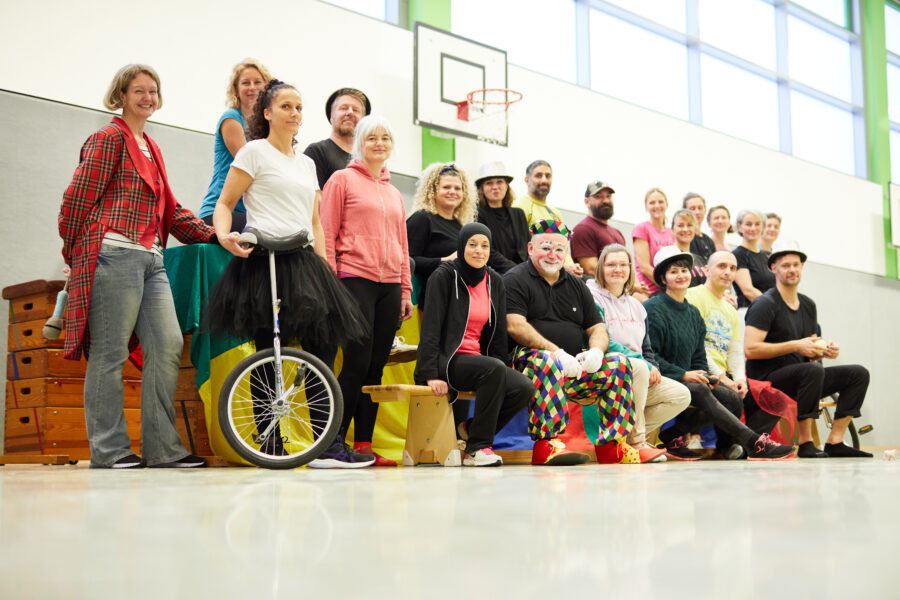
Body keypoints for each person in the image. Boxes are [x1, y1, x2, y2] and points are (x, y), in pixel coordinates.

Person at [58, 64, 218, 468]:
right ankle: (109, 450)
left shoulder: (151, 147)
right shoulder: (108, 138)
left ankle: (163, 449)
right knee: (109, 353)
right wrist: (76, 253)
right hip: (113, 253)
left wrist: (215, 235)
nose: (147, 98)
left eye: (153, 91)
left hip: (152, 258)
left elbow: (171, 210)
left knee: (167, 344)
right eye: (138, 91)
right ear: (121, 96)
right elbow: (75, 201)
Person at [208, 79, 369, 466]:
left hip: (304, 261)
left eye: (298, 107)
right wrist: (225, 235)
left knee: (323, 349)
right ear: (267, 113)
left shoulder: (307, 163)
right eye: (285, 106)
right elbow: (225, 204)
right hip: (264, 259)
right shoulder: (253, 152)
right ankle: (270, 442)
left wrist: (324, 264)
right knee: (269, 350)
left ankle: (325, 444)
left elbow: (314, 222)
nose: (294, 113)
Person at [320, 114, 414, 467]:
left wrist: (405, 291)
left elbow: (402, 245)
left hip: (389, 286)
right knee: (356, 364)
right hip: (353, 279)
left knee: (375, 368)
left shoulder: (394, 193)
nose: (379, 143)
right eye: (372, 137)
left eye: (385, 138)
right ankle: (330, 443)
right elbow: (326, 232)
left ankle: (363, 445)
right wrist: (331, 283)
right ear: (359, 142)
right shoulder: (341, 180)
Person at [504, 220, 638, 465]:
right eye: (545, 248)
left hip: (574, 368)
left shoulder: (577, 285)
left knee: (618, 363)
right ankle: (547, 443)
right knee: (546, 360)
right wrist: (557, 353)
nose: (552, 255)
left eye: (559, 249)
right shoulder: (515, 279)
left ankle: (613, 445)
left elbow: (597, 327)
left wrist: (596, 351)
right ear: (530, 248)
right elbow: (514, 325)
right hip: (528, 365)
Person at [645, 246, 794, 461]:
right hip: (662, 377)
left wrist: (707, 375)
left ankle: (671, 436)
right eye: (673, 272)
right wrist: (684, 374)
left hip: (689, 378)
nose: (681, 275)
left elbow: (699, 356)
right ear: (663, 278)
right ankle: (754, 443)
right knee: (700, 391)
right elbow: (651, 355)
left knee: (732, 398)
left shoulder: (693, 313)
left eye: (684, 270)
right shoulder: (653, 308)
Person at [415, 223, 533, 466]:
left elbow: (498, 334)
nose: (479, 250)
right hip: (447, 360)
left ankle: (469, 429)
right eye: (472, 245)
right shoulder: (444, 275)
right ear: (461, 246)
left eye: (485, 246)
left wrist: (502, 370)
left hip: (479, 361)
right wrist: (430, 373)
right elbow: (430, 328)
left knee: (523, 387)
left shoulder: (494, 281)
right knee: (494, 369)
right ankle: (477, 449)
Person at [744, 246, 872, 458]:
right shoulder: (765, 303)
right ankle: (806, 443)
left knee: (858, 374)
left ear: (802, 267)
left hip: (803, 378)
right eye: (786, 265)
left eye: (796, 265)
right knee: (812, 371)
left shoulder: (808, 305)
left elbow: (810, 348)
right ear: (774, 268)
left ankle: (835, 441)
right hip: (766, 380)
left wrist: (824, 351)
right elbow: (750, 349)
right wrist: (796, 345)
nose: (792, 270)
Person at [586, 244, 690, 462]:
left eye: (623, 265)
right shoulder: (591, 298)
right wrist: (645, 364)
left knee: (681, 395)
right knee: (640, 367)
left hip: (638, 373)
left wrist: (654, 368)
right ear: (600, 268)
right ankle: (637, 442)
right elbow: (604, 341)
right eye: (611, 265)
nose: (618, 269)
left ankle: (621, 436)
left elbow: (646, 348)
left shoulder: (637, 305)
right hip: (607, 370)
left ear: (630, 269)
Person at [686, 251, 782, 457]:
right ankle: (737, 445)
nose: (727, 272)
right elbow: (695, 346)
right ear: (707, 270)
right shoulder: (693, 296)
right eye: (721, 266)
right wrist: (723, 378)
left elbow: (735, 350)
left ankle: (740, 446)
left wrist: (739, 378)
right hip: (697, 369)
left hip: (722, 374)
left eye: (732, 268)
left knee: (771, 398)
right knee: (731, 398)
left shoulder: (730, 309)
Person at [198, 59, 272, 232]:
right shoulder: (231, 119)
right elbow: (251, 165)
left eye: (257, 82)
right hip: (220, 212)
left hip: (249, 213)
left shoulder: (266, 128)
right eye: (246, 83)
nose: (252, 87)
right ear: (236, 91)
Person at [406, 162, 478, 285]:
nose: (452, 192)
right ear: (433, 191)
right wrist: (445, 261)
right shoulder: (422, 218)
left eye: (457, 188)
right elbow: (408, 261)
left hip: (456, 290)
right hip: (431, 291)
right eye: (446, 187)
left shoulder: (459, 225)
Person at [512, 160, 582, 277]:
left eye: (548, 176)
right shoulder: (519, 206)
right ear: (527, 180)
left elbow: (563, 245)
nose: (544, 180)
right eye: (538, 176)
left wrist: (572, 266)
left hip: (560, 270)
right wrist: (563, 267)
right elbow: (520, 249)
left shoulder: (555, 212)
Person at [304, 87, 371, 190]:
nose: (350, 112)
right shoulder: (317, 151)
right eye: (343, 108)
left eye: (356, 110)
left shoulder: (369, 160)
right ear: (332, 116)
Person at [474, 161, 529, 272]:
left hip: (524, 272)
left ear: (506, 186)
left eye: (500, 182)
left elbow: (528, 246)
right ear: (482, 188)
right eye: (489, 183)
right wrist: (516, 271)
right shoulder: (477, 214)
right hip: (495, 274)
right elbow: (487, 251)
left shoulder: (519, 213)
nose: (495, 187)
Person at [570, 180, 626, 276]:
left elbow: (626, 265)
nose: (606, 201)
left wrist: (636, 284)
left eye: (608, 196)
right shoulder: (583, 230)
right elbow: (591, 269)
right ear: (587, 202)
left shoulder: (617, 232)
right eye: (598, 197)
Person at [632, 187, 675, 295]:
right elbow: (644, 267)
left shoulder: (671, 232)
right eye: (652, 203)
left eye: (660, 202)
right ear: (646, 207)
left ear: (667, 204)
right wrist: (668, 286)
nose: (657, 206)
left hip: (670, 288)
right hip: (650, 290)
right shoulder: (641, 228)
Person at [732, 209, 774, 311]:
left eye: (757, 224)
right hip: (750, 310)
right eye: (748, 224)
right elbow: (748, 291)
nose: (753, 228)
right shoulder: (738, 255)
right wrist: (773, 308)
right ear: (740, 227)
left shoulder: (767, 256)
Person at [671, 209, 707, 287]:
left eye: (689, 225)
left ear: (695, 229)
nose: (685, 229)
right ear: (672, 229)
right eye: (680, 225)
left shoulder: (700, 259)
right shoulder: (669, 256)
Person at [683, 192, 716, 263]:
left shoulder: (709, 241)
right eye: (692, 208)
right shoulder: (683, 238)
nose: (697, 212)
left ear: (705, 210)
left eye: (700, 208)